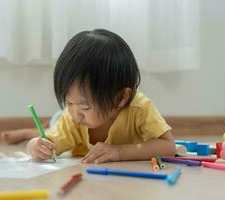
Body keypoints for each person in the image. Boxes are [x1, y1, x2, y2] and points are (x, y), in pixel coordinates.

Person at [25, 29, 175, 163]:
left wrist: (119, 151)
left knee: (56, 120)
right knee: (55, 121)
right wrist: (34, 147)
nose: (76, 115)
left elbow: (168, 146)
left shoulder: (140, 108)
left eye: (85, 107)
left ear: (121, 98)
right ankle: (26, 133)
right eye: (68, 103)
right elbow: (49, 144)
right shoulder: (72, 117)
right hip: (59, 121)